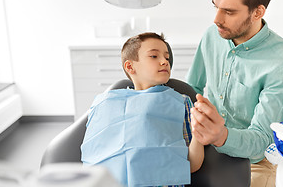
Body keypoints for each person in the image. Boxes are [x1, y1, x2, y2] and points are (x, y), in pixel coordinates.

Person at [186, 0, 283, 187]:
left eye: (229, 12)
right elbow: (193, 89)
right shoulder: (212, 35)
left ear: (257, 12)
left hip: (253, 162)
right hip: (203, 146)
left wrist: (220, 136)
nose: (216, 19)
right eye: (216, 6)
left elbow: (261, 140)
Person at [81, 32, 204, 187]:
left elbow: (191, 164)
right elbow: (92, 159)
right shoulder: (105, 104)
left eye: (167, 57)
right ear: (130, 66)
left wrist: (199, 132)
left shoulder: (181, 102)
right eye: (154, 56)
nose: (164, 62)